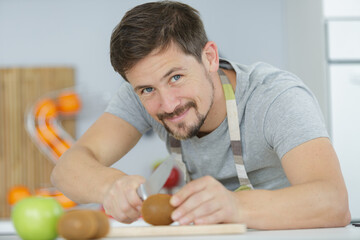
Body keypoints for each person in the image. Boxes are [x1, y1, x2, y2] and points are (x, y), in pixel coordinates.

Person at [51, 0, 351, 229]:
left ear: (209, 58)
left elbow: (333, 203)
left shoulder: (275, 97)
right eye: (146, 90)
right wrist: (109, 187)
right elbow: (66, 169)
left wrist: (236, 207)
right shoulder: (141, 94)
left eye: (176, 77)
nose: (168, 104)